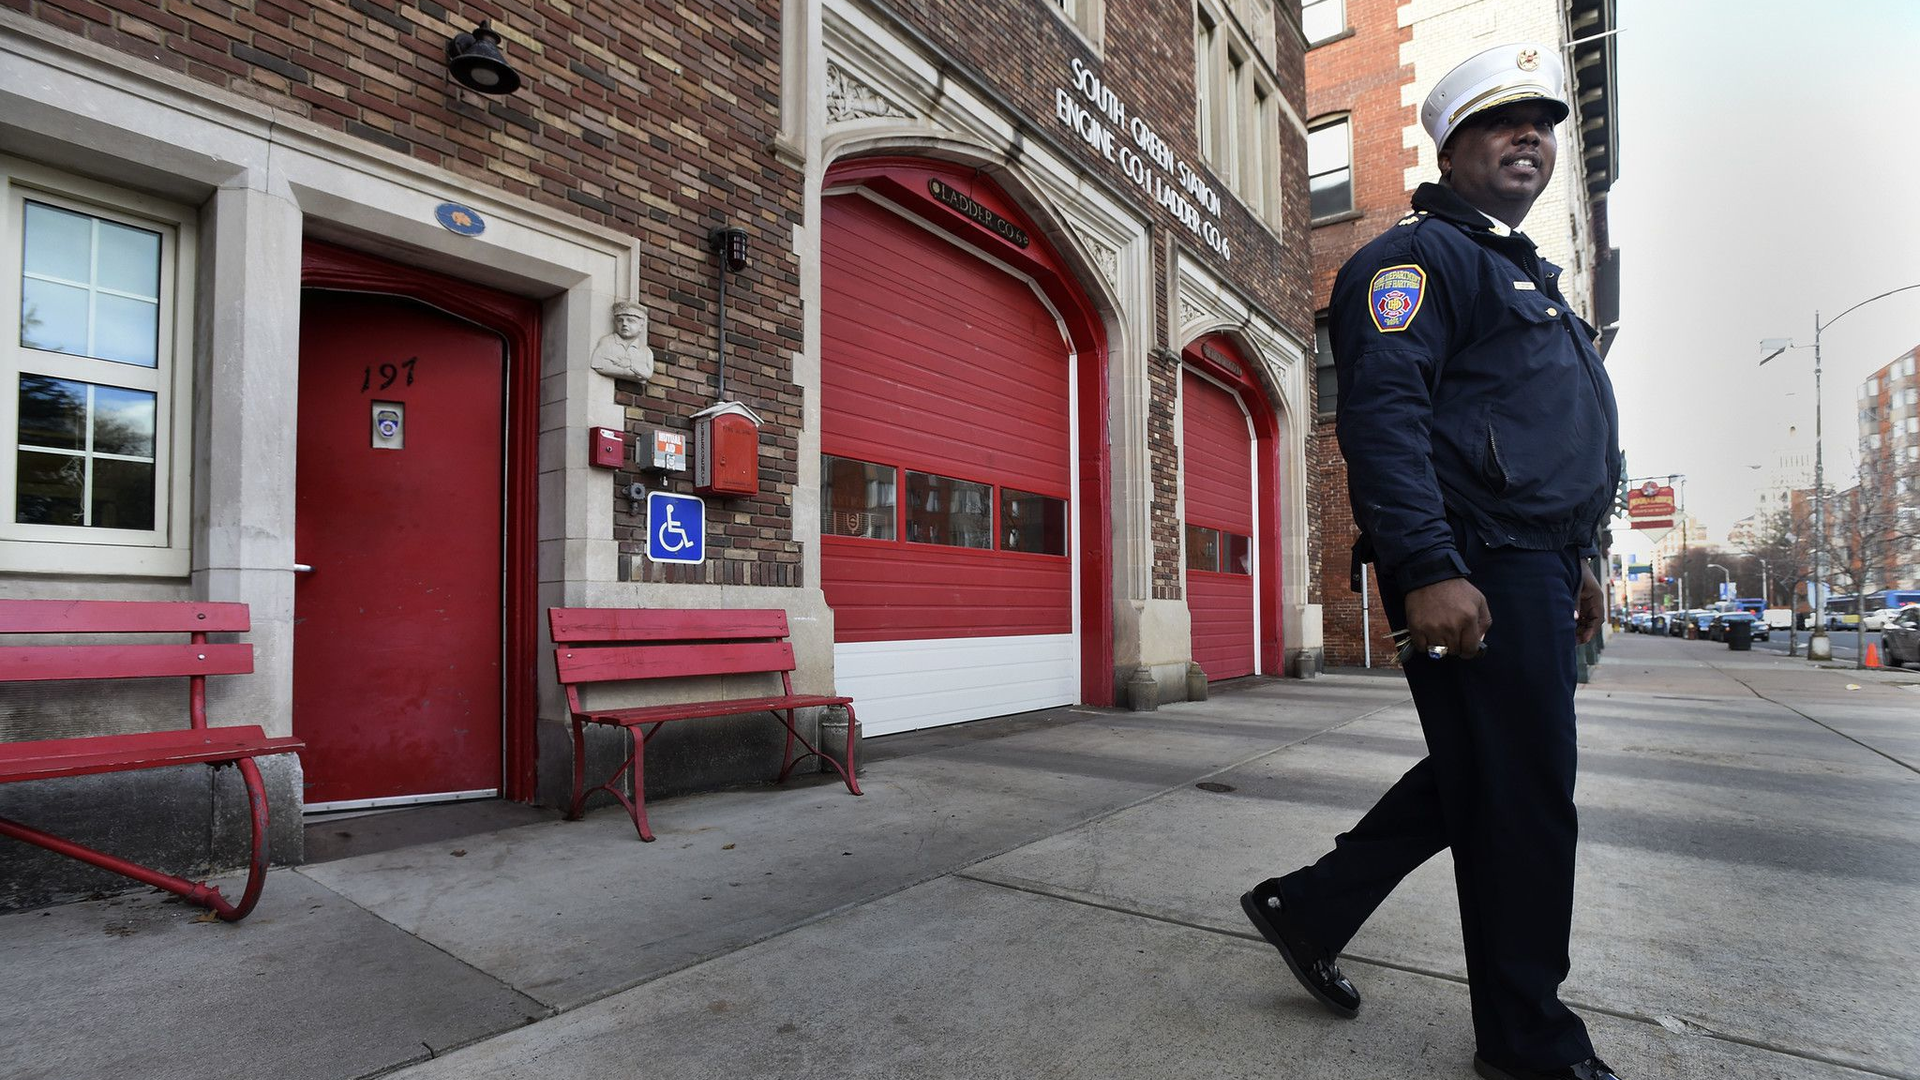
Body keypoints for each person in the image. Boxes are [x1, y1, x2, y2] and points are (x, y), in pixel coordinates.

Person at [1239, 43, 1622, 1080]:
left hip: (1534, 560)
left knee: (1493, 773)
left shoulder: (1520, 272)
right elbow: (1385, 420)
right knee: (1527, 796)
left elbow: (1555, 440)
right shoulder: (1415, 262)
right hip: (1475, 562)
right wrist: (1426, 565)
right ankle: (1528, 1040)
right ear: (1450, 145)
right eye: (1503, 121)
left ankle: (1310, 907)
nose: (1530, 137)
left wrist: (1582, 554)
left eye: (1542, 121)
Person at [591, 300, 655, 382]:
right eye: (620, 320)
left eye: (631, 321)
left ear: (641, 326)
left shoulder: (646, 351)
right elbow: (598, 365)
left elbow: (648, 373)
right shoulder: (607, 342)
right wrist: (633, 369)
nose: (624, 324)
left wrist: (629, 363)